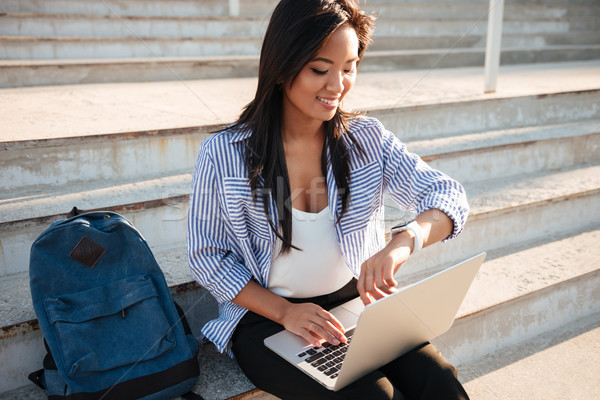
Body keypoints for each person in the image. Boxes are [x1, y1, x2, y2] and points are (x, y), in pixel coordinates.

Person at [187, 0, 470, 398]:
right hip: (268, 318)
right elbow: (206, 256)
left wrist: (403, 242)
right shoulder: (225, 153)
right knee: (375, 396)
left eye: (349, 68)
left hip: (355, 303)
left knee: (439, 383)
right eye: (320, 69)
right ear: (283, 65)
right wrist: (286, 312)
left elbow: (448, 195)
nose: (338, 85)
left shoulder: (366, 139)